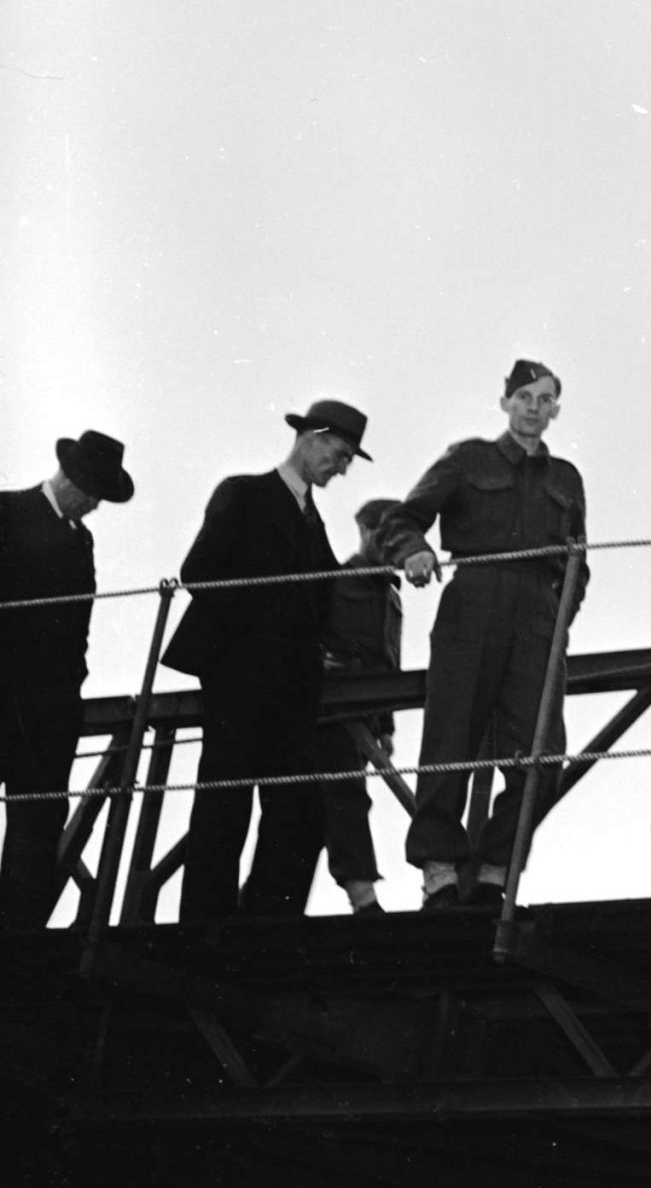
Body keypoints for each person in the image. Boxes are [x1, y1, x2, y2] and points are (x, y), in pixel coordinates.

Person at [381, 360, 590, 912]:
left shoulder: (566, 479)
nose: (533, 407)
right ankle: (440, 874)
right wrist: (416, 552)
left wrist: (556, 619)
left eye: (545, 400)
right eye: (524, 396)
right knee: (451, 740)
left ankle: (497, 870)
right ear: (505, 403)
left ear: (556, 411)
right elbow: (401, 520)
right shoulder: (467, 458)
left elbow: (579, 564)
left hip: (537, 615)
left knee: (543, 754)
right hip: (473, 600)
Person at [166, 400, 369, 920]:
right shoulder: (245, 494)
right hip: (238, 676)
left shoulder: (314, 525)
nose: (342, 467)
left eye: (348, 459)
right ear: (311, 438)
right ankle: (204, 927)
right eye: (340, 453)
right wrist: (265, 629)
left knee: (300, 810)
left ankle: (265, 922)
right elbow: (200, 571)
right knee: (225, 805)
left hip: (293, 688)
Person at [0, 430, 133, 929]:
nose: (98, 505)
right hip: (8, 695)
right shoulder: (7, 514)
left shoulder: (82, 539)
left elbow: (79, 623)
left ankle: (16, 935)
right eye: (97, 493)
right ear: (78, 483)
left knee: (38, 820)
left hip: (52, 707)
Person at [314, 499, 405, 917]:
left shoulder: (391, 595)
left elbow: (390, 662)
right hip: (333, 705)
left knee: (330, 802)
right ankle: (363, 897)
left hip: (366, 710)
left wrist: (386, 725)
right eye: (381, 536)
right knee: (343, 796)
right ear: (365, 532)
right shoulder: (336, 581)